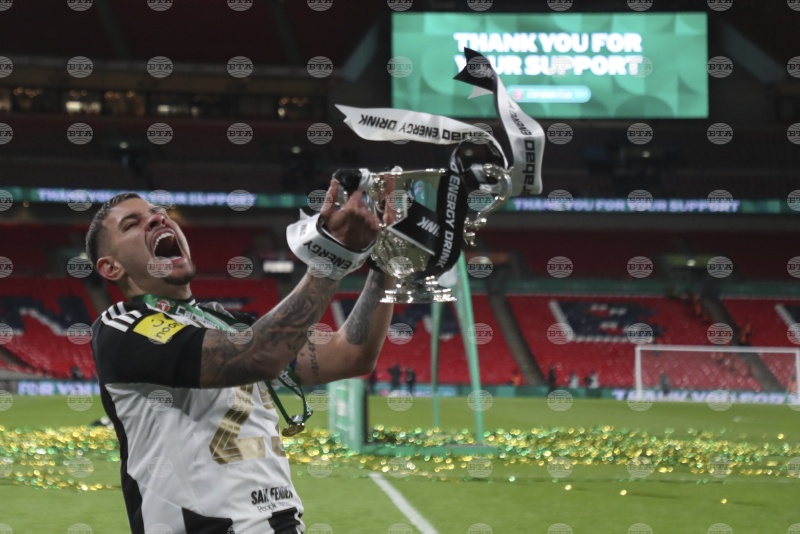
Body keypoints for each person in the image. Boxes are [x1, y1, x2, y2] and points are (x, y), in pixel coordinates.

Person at [86, 187, 395, 533]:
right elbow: (260, 355)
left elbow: (350, 355)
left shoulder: (226, 323)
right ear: (111, 267)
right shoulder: (121, 328)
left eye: (157, 212)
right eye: (131, 224)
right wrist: (331, 257)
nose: (157, 219)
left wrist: (386, 260)